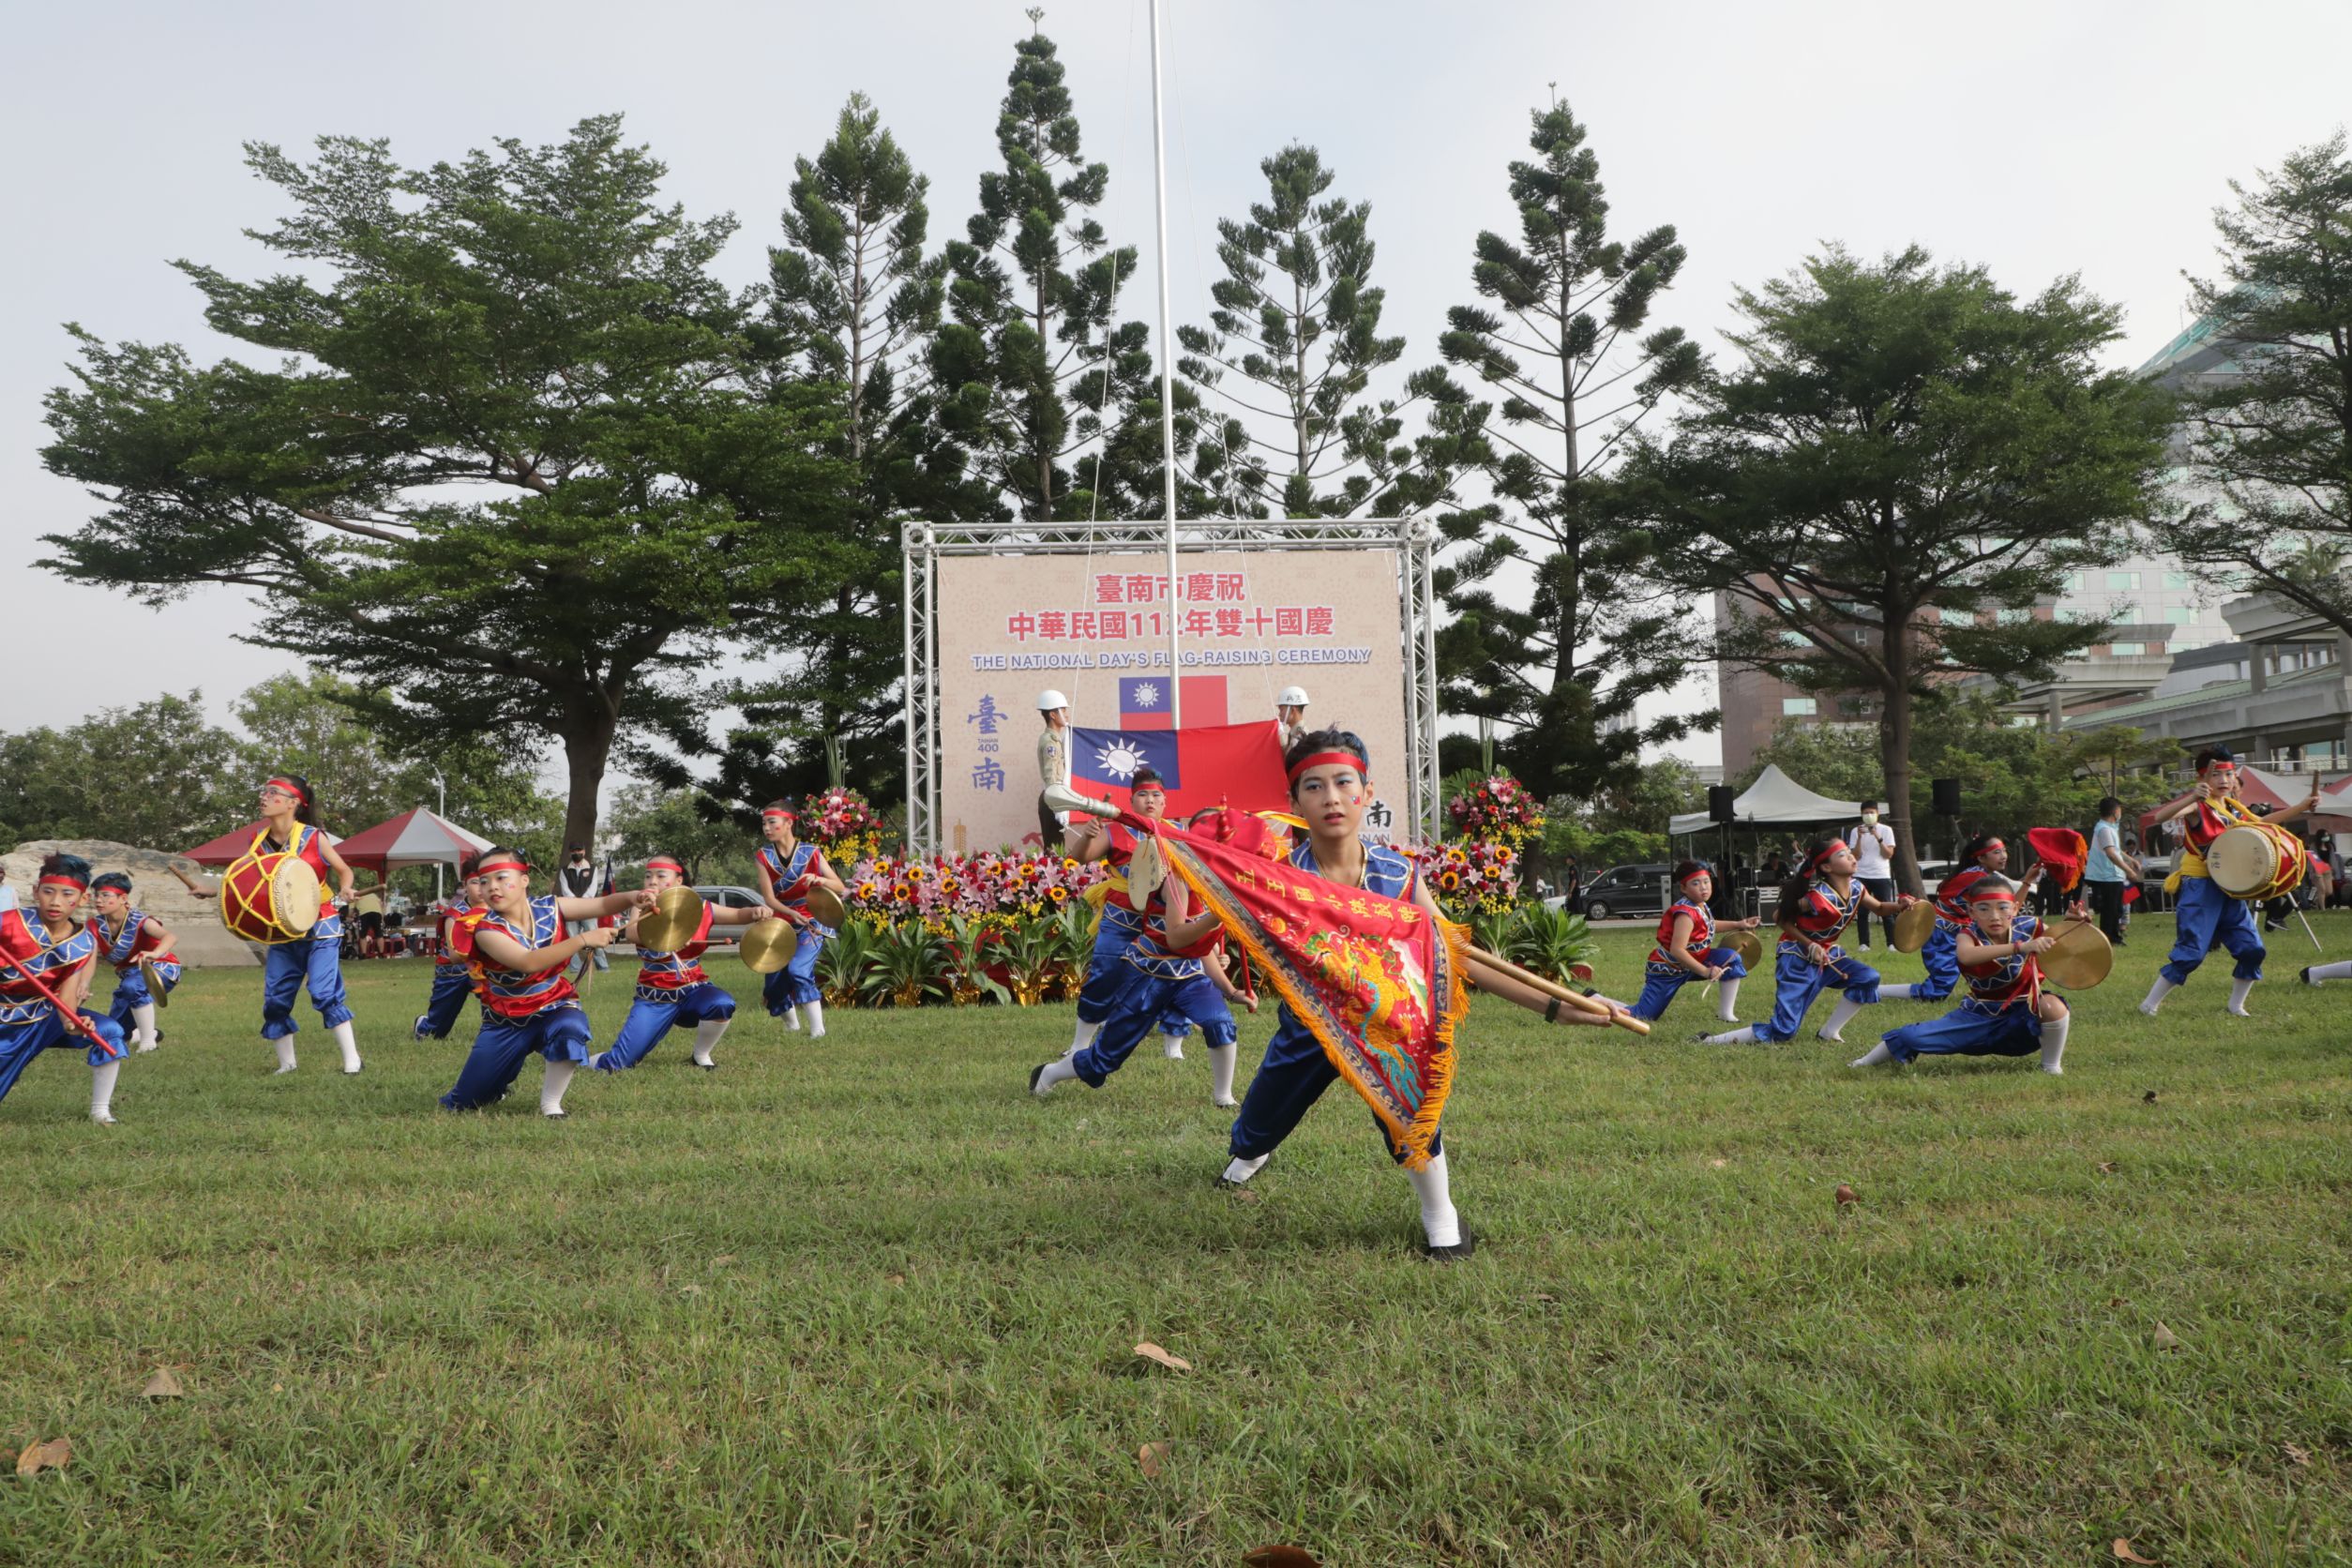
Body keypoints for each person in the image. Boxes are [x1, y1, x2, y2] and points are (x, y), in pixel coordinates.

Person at [1206, 730, 1611, 1259]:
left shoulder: (1397, 876)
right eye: (1313, 786)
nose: (1330, 797)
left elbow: (1457, 956)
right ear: (1294, 802)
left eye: (1343, 782)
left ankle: (1440, 1214)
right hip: (1309, 1024)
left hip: (1385, 1024)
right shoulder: (1281, 879)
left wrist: (1561, 1006)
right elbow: (1197, 931)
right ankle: (1249, 1154)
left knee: (1410, 1112)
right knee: (1257, 1125)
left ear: (1366, 793)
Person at [1027, 806, 1257, 1109]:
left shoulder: (1215, 884)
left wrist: (1230, 991)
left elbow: (1198, 951)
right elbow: (1176, 937)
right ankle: (1050, 1073)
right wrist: (1216, 918)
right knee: (1106, 1057)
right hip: (1149, 974)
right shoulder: (1176, 880)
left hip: (1188, 975)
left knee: (1219, 1021)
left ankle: (1223, 1096)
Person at [438, 847, 651, 1117]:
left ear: (524, 880)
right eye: (484, 881)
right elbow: (529, 962)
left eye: (502, 878)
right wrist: (583, 939)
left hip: (553, 1003)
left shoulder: (550, 906)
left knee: (570, 1027)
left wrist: (636, 896)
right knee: (466, 1103)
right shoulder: (484, 929)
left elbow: (603, 904)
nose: (491, 887)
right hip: (505, 1019)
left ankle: (551, 1104)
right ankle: (498, 1081)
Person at [2140, 746, 2321, 1018]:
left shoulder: (2232, 810)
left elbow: (2262, 823)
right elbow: (2161, 817)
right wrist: (2191, 796)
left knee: (2252, 948)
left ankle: (2236, 1005)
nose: (2224, 781)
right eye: (2216, 775)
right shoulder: (2197, 806)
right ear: (2203, 778)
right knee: (2192, 951)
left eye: (2229, 775)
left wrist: (2302, 807)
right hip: (2200, 887)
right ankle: (2149, 1004)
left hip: (2229, 887)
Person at [1058, 766, 1211, 1074]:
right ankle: (1080, 1043)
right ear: (1132, 800)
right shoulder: (1116, 829)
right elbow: (1081, 856)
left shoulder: (1175, 833)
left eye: (1156, 795)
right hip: (1121, 918)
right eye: (1143, 795)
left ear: (1165, 802)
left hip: (1163, 922)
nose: (1150, 801)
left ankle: (1173, 1044)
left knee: (1176, 977)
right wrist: (1088, 836)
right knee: (1104, 976)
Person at [1849, 878, 2074, 1075]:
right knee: (1911, 1036)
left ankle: (2051, 1066)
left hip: (2020, 1017)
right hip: (1975, 1017)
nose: (1994, 916)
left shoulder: (2031, 926)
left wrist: (2072, 923)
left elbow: (2063, 943)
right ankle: (1864, 1062)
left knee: (2053, 1006)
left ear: (2015, 908)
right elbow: (1966, 956)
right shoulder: (1967, 936)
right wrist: (2019, 947)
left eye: (2003, 908)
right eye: (1984, 909)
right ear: (1971, 912)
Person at [1699, 838, 1910, 1046]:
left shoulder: (1857, 887)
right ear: (1827, 867)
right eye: (1843, 855)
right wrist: (1809, 944)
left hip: (1827, 957)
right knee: (1782, 1031)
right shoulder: (1816, 897)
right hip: (1796, 960)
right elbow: (1778, 917)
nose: (1851, 857)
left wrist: (1900, 906)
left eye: (1849, 852)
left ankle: (1829, 1032)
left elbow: (1881, 908)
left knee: (1868, 978)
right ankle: (1709, 1041)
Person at [592, 855, 776, 1074]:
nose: (652, 881)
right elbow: (632, 933)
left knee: (722, 1003)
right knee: (618, 1064)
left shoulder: (699, 906)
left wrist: (755, 912)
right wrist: (670, 933)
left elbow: (737, 914)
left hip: (692, 990)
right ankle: (587, 1060)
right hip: (655, 997)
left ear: (679, 880)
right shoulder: (641, 906)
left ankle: (701, 1055)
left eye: (661, 876)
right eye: (648, 876)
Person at [245, 774, 363, 1076]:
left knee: (323, 992)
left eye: (273, 793)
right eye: (264, 791)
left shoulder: (314, 837)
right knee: (275, 999)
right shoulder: (257, 841)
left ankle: (352, 1060)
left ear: (294, 803)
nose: (264, 797)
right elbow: (246, 880)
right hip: (282, 928)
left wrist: (346, 887)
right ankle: (287, 1064)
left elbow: (343, 870)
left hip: (321, 924)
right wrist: (212, 890)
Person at [0, 854, 131, 1123]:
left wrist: (74, 1024)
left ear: (82, 899)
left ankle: (100, 1111)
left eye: (67, 894)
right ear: (36, 892)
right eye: (48, 892)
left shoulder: (83, 943)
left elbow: (67, 997)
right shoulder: (8, 922)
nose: (56, 901)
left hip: (42, 1015)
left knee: (109, 1032)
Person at [1881, 834, 2041, 1003]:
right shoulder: (1977, 878)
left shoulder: (1984, 876)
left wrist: (2028, 881)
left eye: (2004, 851)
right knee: (1936, 992)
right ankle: (1878, 991)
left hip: (1963, 933)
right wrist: (2027, 881)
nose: (2003, 856)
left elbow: (2009, 908)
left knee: (1997, 959)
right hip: (1942, 936)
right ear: (1981, 858)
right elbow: (2009, 909)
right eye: (1996, 852)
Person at [753, 804, 847, 1037]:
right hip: (780, 922)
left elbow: (839, 886)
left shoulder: (811, 852)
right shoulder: (763, 857)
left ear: (788, 823)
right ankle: (792, 1025)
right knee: (773, 983)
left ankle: (818, 1030)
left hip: (812, 923)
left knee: (799, 970)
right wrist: (790, 912)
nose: (767, 828)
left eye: (772, 822)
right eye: (764, 823)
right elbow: (769, 898)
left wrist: (818, 879)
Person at [1626, 862, 1759, 1025]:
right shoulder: (1685, 914)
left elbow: (1708, 925)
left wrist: (1739, 924)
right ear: (1683, 888)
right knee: (1642, 1016)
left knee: (1731, 958)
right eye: (1696, 883)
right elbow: (1677, 950)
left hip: (1696, 961)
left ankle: (1726, 1013)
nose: (1703, 887)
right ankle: (1596, 1000)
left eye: (1706, 882)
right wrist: (1705, 971)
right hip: (1669, 968)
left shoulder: (1700, 906)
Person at [84, 872, 180, 1054]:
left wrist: (154, 953)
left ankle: (148, 1043)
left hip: (160, 968)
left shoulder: (140, 920)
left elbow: (170, 937)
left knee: (132, 986)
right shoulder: (94, 925)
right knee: (112, 1033)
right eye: (97, 895)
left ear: (123, 898)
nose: (99, 900)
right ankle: (146, 1033)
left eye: (106, 895)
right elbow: (89, 957)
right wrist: (84, 984)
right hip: (129, 976)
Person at [413, 869, 487, 1040]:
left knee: (496, 1011)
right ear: (464, 887)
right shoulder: (454, 914)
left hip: (485, 967)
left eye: (485, 882)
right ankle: (424, 1025)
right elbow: (454, 954)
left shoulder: (498, 910)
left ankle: (491, 1033)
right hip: (454, 969)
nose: (481, 888)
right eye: (475, 882)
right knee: (435, 1032)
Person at [2083, 797, 2140, 945]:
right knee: (2111, 909)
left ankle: (2112, 938)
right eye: (2119, 809)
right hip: (2107, 876)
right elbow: (2111, 853)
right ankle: (2110, 939)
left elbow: (2116, 850)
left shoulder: (2109, 828)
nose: (2120, 812)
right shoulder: (2104, 829)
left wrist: (2131, 860)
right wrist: (2129, 871)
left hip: (2112, 876)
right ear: (2115, 811)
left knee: (2116, 909)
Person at [1849, 802, 1896, 949]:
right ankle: (1864, 944)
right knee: (1862, 911)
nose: (1868, 815)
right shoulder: (1855, 831)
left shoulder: (1886, 830)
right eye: (1865, 813)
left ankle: (1892, 943)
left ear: (1877, 813)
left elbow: (1888, 854)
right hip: (1861, 874)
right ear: (1861, 814)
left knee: (1886, 910)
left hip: (1881, 874)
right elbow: (1855, 856)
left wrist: (1878, 837)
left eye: (1871, 812)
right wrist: (1858, 838)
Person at [557, 847, 610, 974]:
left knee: (595, 937)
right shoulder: (564, 870)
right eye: (574, 851)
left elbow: (593, 888)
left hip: (589, 908)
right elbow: (565, 890)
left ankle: (603, 967)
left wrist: (583, 902)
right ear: (570, 853)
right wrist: (575, 902)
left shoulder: (593, 868)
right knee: (571, 939)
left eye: (579, 851)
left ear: (584, 852)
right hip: (571, 908)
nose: (577, 853)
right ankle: (575, 968)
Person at [1035, 689, 1073, 852]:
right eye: (1063, 711)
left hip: (1056, 797)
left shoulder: (1056, 739)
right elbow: (1051, 775)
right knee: (1054, 852)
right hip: (1052, 798)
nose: (1067, 715)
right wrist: (1057, 805)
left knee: (1058, 848)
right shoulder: (1049, 741)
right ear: (1053, 715)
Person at [1275, 685, 1310, 754]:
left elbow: (1289, 760)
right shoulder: (1295, 732)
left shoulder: (1300, 735)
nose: (1279, 714)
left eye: (1281, 709)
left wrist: (1280, 734)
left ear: (1292, 710)